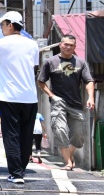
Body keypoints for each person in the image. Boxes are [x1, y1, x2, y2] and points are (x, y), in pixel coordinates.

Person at [0, 11, 39, 184]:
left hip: (8, 96)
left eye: (2, 24)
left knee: (11, 134)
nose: (1, 28)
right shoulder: (33, 45)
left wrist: (0, 64)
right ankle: (20, 170)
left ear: (10, 25)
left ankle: (16, 173)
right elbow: (33, 67)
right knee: (26, 135)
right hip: (30, 96)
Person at [37, 33, 96, 171]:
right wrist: (52, 96)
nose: (68, 47)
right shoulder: (50, 62)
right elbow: (41, 81)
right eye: (65, 44)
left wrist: (91, 97)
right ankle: (68, 163)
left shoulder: (81, 63)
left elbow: (89, 81)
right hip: (58, 103)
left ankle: (69, 156)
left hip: (76, 103)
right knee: (60, 130)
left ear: (75, 47)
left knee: (78, 136)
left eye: (71, 45)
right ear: (60, 45)